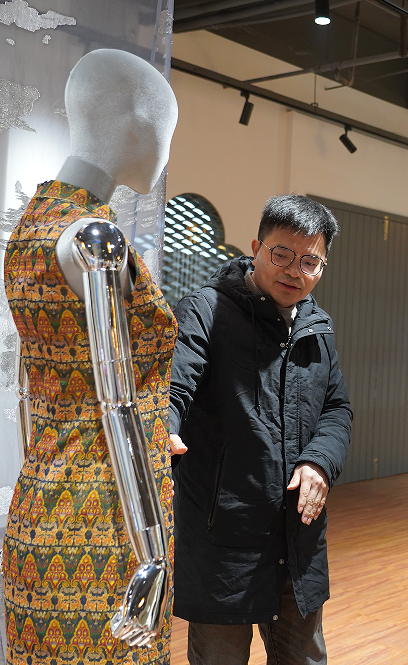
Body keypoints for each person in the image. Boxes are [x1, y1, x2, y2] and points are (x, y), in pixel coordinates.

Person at [3, 49, 179, 663]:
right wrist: (153, 554)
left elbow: (29, 384)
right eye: (169, 129)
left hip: (41, 501)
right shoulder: (94, 238)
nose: (167, 149)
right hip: (104, 521)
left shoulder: (33, 224)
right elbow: (118, 405)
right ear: (139, 122)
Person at [168, 195, 352, 665]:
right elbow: (174, 387)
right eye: (282, 254)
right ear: (256, 248)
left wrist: (320, 462)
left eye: (309, 261)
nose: (294, 272)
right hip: (224, 535)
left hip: (296, 534)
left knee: (303, 658)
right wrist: (163, 428)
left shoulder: (316, 327)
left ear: (322, 266)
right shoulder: (206, 310)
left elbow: (336, 408)